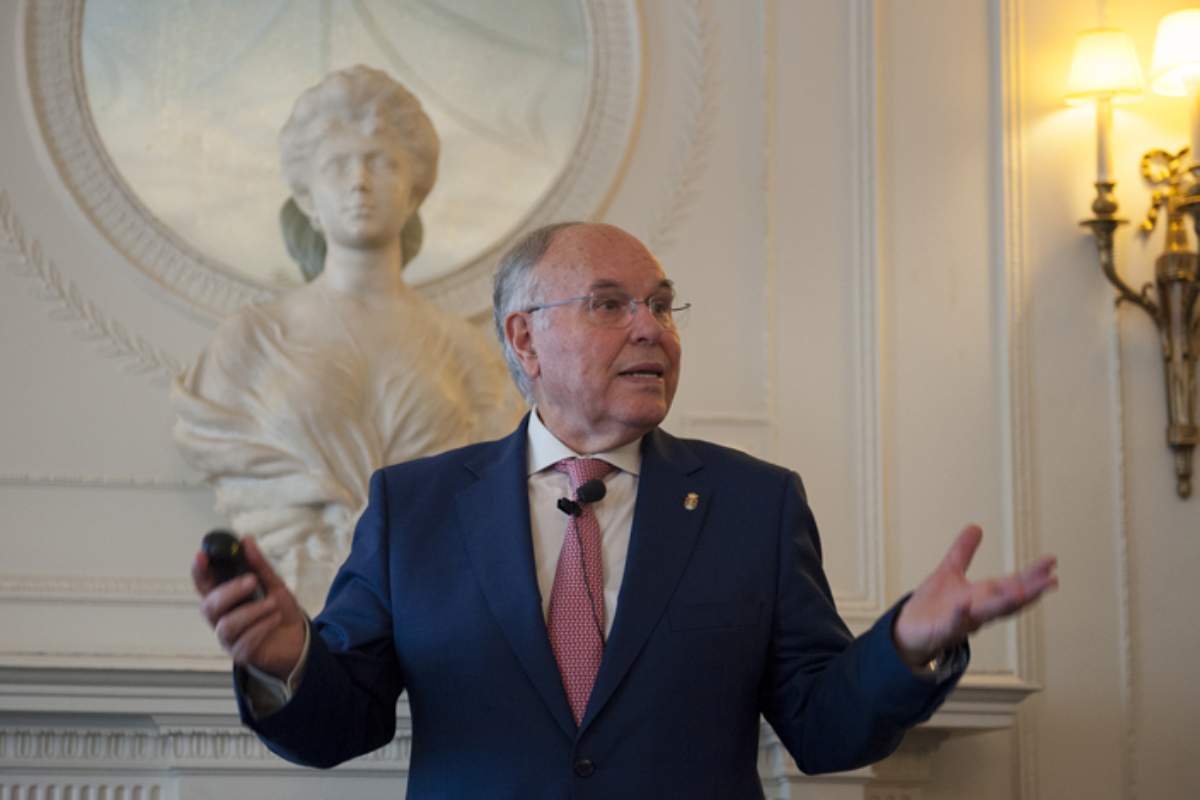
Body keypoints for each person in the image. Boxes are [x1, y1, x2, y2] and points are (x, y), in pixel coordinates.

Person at [192, 221, 1058, 798]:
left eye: (662, 304)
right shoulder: (413, 507)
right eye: (611, 304)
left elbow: (825, 730)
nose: (654, 329)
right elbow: (344, 723)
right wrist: (289, 661)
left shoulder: (755, 505)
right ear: (524, 337)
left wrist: (907, 646)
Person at [173, 66, 522, 612]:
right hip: (296, 590)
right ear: (308, 196)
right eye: (337, 165)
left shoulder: (465, 351)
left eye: (382, 162)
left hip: (437, 601)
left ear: (413, 192)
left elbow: (494, 470)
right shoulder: (251, 342)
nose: (359, 182)